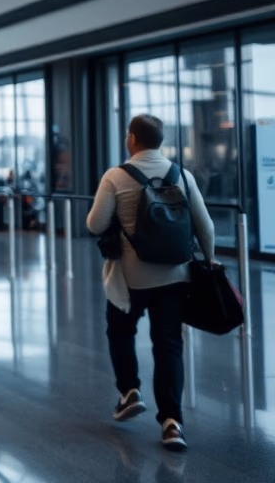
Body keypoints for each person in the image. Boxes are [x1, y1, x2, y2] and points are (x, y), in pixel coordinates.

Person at [86, 114, 215, 453]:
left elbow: (95, 224)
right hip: (175, 276)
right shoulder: (182, 175)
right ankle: (172, 424)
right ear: (160, 141)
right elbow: (206, 227)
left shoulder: (115, 176)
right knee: (168, 344)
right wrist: (210, 261)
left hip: (130, 280)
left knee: (120, 331)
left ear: (131, 139)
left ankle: (129, 391)